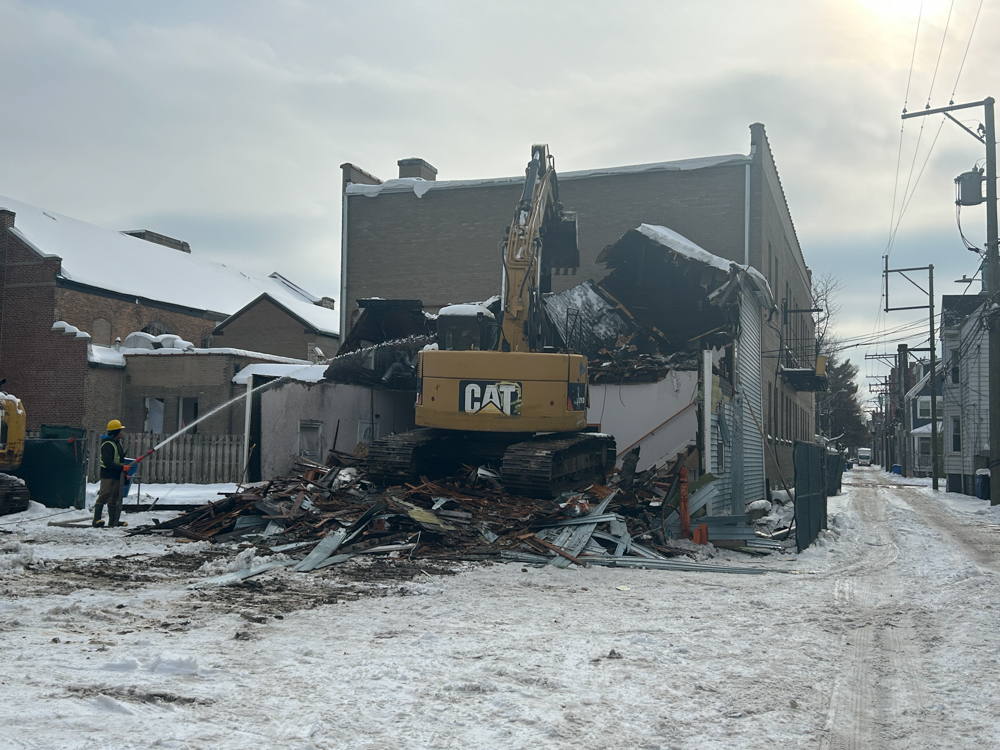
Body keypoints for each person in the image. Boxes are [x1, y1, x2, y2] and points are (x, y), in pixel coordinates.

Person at [93, 419, 131, 528]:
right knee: (104, 496)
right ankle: (96, 520)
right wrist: (122, 468)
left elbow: (119, 460)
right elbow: (107, 462)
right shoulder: (107, 445)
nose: (122, 433)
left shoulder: (117, 444)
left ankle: (113, 521)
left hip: (117, 475)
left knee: (114, 498)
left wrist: (124, 472)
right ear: (115, 432)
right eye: (120, 431)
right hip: (108, 475)